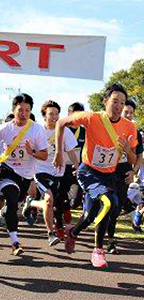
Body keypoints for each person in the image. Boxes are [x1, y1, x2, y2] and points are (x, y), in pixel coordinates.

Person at [53, 83, 137, 268]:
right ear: (105, 100)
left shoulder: (129, 127)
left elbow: (132, 157)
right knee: (108, 202)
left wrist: (126, 151)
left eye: (122, 103)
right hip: (88, 171)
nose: (118, 106)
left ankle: (73, 232)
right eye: (115, 101)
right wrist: (59, 152)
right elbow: (61, 123)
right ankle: (98, 252)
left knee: (89, 216)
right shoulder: (91, 118)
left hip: (109, 175)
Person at [0, 93, 48, 255]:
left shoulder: (37, 130)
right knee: (12, 202)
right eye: (20, 110)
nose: (23, 114)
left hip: (26, 175)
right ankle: (15, 242)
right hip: (8, 170)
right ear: (13, 109)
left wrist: (32, 152)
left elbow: (44, 154)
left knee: (12, 207)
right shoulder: (3, 129)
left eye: (27, 111)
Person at [22, 100, 78, 246]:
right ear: (44, 116)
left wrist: (77, 166)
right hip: (40, 170)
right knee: (48, 199)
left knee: (53, 203)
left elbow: (70, 151)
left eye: (57, 113)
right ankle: (50, 233)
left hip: (58, 172)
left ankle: (31, 202)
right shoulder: (37, 130)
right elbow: (29, 151)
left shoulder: (64, 131)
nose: (54, 117)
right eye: (51, 114)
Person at [107, 98, 143, 252]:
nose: (128, 115)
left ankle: (110, 241)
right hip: (107, 173)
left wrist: (133, 172)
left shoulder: (134, 131)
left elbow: (139, 156)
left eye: (131, 113)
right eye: (125, 112)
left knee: (116, 208)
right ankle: (108, 240)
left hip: (125, 174)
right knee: (109, 205)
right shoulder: (108, 127)